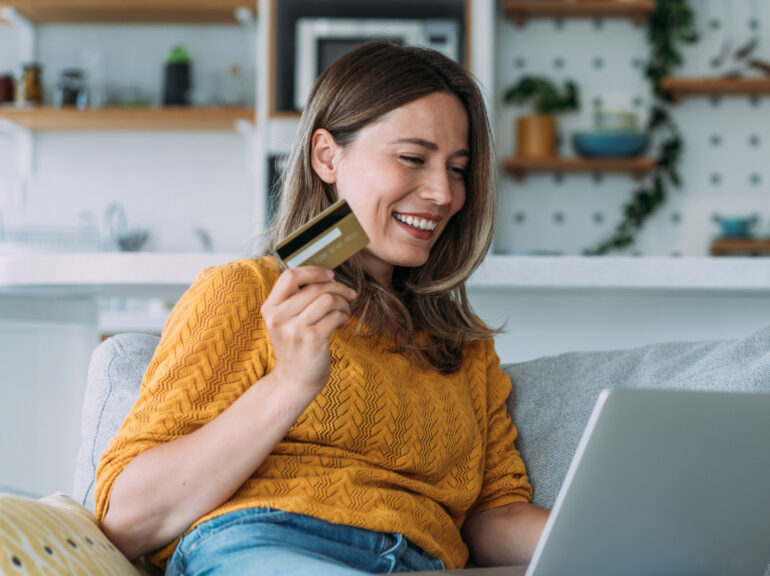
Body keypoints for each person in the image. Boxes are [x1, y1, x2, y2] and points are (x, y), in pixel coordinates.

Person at [95, 41, 550, 575]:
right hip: (265, 543)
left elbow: (494, 515)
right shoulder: (244, 292)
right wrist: (289, 384)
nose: (442, 193)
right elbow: (125, 520)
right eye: (412, 158)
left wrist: (630, 535)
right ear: (326, 156)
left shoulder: (464, 350)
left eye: (457, 168)